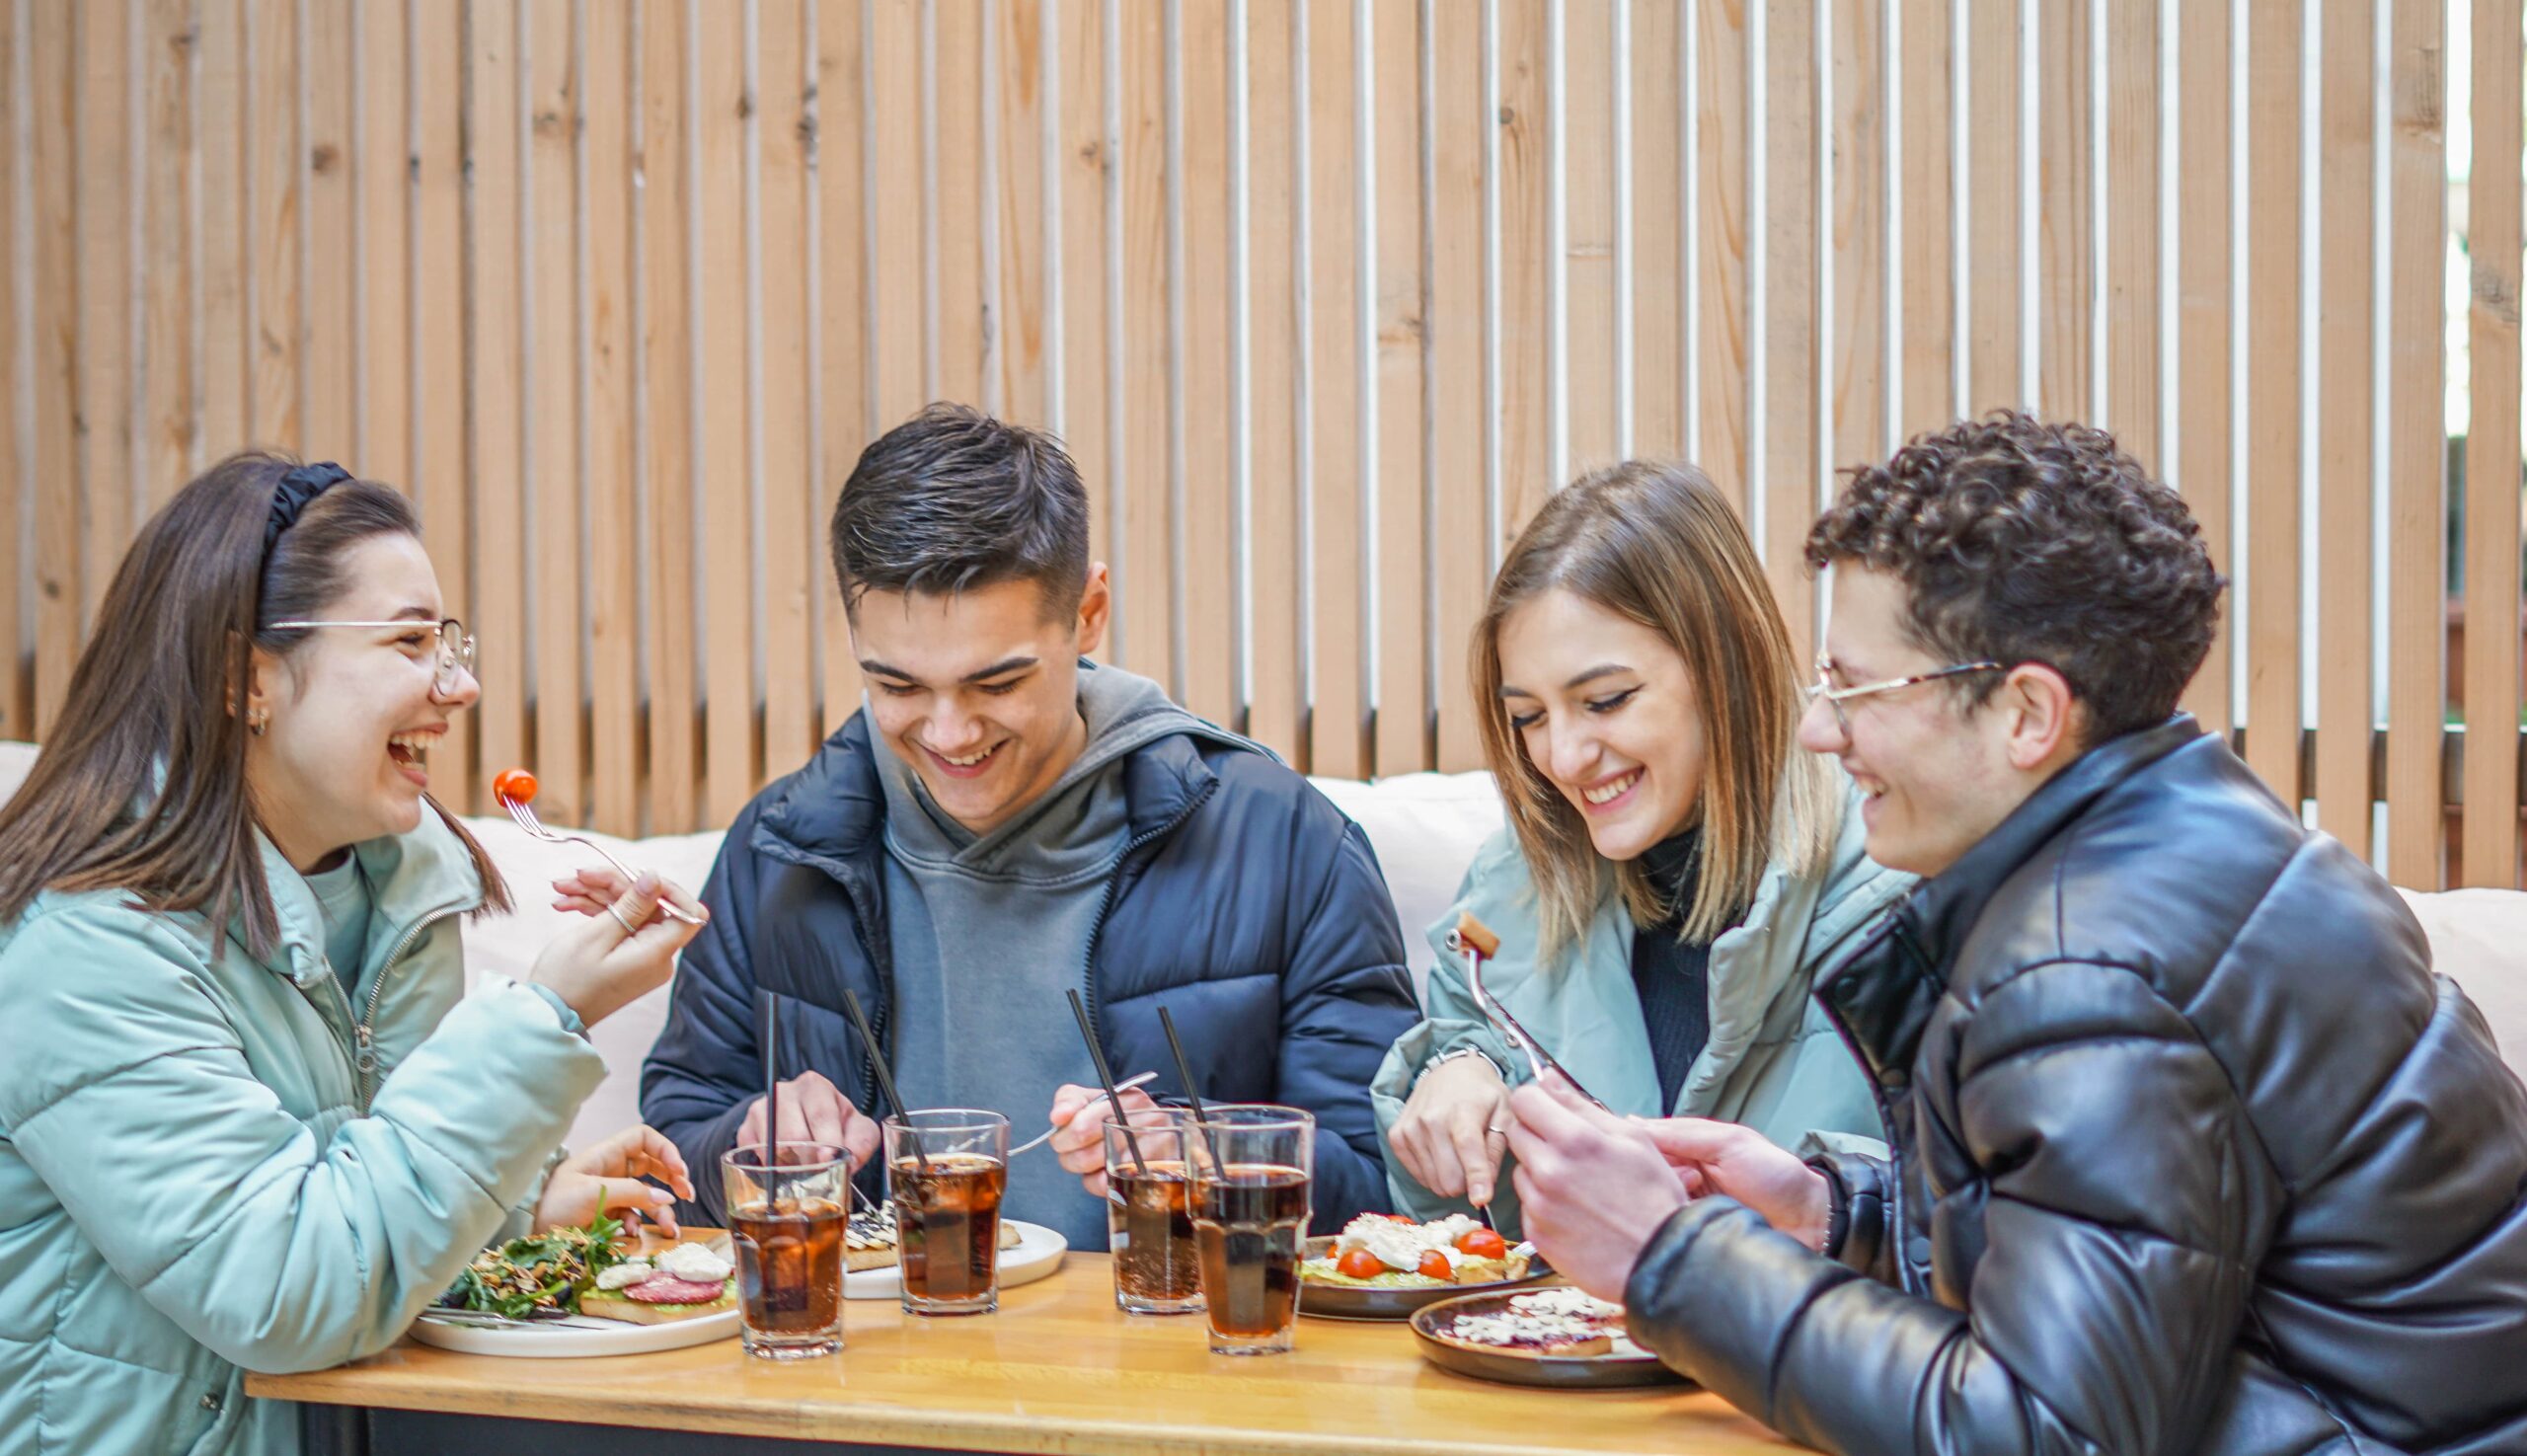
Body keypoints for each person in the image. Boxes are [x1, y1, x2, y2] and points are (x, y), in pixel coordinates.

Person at [1504, 413, 2527, 1455]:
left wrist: (1670, 1256)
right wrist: (1831, 1217)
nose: (1818, 727)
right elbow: (2129, 1269)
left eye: (1855, 687)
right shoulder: (2199, 842)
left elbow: (2045, 1433)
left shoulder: (2088, 970)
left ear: (2027, 713)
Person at [0, 454, 708, 1456]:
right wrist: (544, 1013)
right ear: (250, 676)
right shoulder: (85, 946)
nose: (459, 686)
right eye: (411, 641)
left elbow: (353, 1180)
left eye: (449, 642)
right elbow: (285, 1288)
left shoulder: (393, 890)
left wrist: (513, 1207)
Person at [626, 404, 1417, 1245]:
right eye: (896, 687)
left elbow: (1388, 1194)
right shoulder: (780, 846)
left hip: (1176, 1362)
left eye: (996, 683)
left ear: (1089, 612)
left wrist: (1207, 1155)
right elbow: (670, 1157)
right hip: (858, 1367)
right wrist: (752, 1139)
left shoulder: (1285, 841)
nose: (949, 733)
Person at [1373, 460, 1903, 1227]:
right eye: (1528, 717)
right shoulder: (1506, 894)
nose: (1562, 756)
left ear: (1726, 663)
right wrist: (1455, 1075)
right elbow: (1458, 1258)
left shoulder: (1901, 876)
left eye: (1606, 700)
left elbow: (1977, 1222)